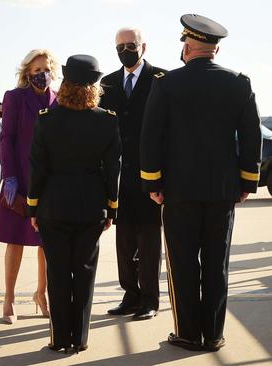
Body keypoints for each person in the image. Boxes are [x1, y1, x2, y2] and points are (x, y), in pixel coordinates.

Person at [140, 14, 262, 352]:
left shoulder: (166, 83)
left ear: (188, 46)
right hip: (222, 191)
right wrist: (247, 183)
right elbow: (252, 139)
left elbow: (150, 137)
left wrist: (152, 181)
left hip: (177, 191)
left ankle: (189, 334)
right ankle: (214, 334)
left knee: (182, 263)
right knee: (216, 263)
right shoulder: (239, 82)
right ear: (215, 49)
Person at [28, 54, 120, 353]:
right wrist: (112, 208)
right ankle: (79, 339)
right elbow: (113, 169)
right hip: (92, 207)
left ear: (64, 83)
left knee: (57, 272)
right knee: (84, 272)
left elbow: (37, 168)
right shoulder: (107, 121)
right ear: (95, 86)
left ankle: (58, 339)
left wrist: (33, 207)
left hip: (53, 206)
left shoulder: (46, 120)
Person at [99, 27, 166, 320]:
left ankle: (150, 299)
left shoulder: (162, 80)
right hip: (119, 176)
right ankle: (130, 295)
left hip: (152, 175)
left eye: (131, 44)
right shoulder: (108, 84)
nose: (125, 50)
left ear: (143, 46)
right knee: (124, 240)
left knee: (149, 241)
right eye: (120, 46)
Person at [0, 49, 59, 324]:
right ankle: (9, 298)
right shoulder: (15, 97)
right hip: (20, 177)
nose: (42, 75)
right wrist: (10, 177)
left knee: (46, 243)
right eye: (37, 70)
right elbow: (6, 138)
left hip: (48, 182)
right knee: (15, 240)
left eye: (47, 69)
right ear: (27, 72)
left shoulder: (57, 100)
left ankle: (41, 294)